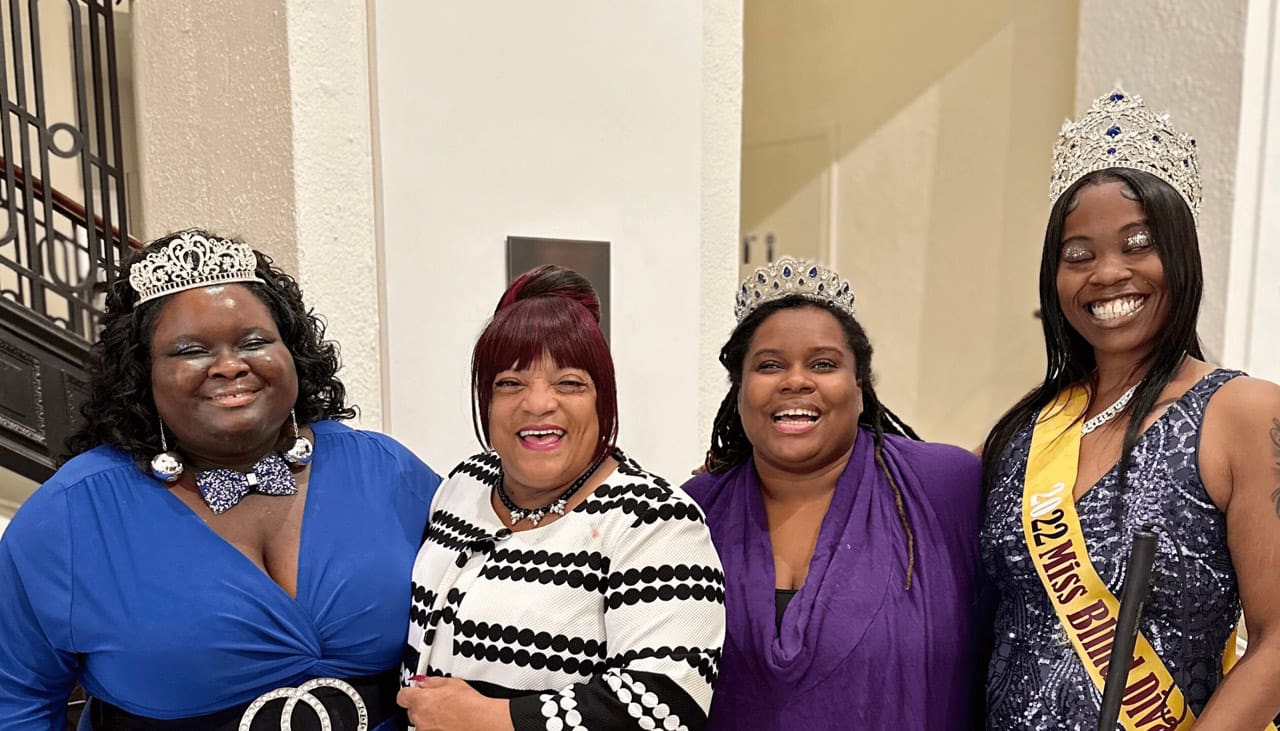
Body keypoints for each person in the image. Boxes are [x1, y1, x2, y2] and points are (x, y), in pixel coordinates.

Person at [0, 229, 441, 730]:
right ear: (142, 373)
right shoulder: (70, 515)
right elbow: (16, 701)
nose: (230, 366)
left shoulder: (386, 471)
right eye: (190, 350)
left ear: (292, 352)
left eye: (254, 341)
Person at [981, 89, 1280, 729]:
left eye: (1138, 243)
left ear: (1182, 256)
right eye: (1078, 254)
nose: (1107, 272)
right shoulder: (1023, 432)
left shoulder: (1241, 413)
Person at [397, 265, 725, 731]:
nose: (536, 403)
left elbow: (667, 705)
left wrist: (491, 718)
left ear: (602, 399)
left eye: (568, 382)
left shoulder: (654, 520)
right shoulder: (463, 485)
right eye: (509, 383)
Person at [683, 257, 985, 729]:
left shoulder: (948, 488)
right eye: (769, 365)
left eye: (823, 364)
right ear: (739, 390)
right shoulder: (693, 511)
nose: (796, 380)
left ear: (859, 388)